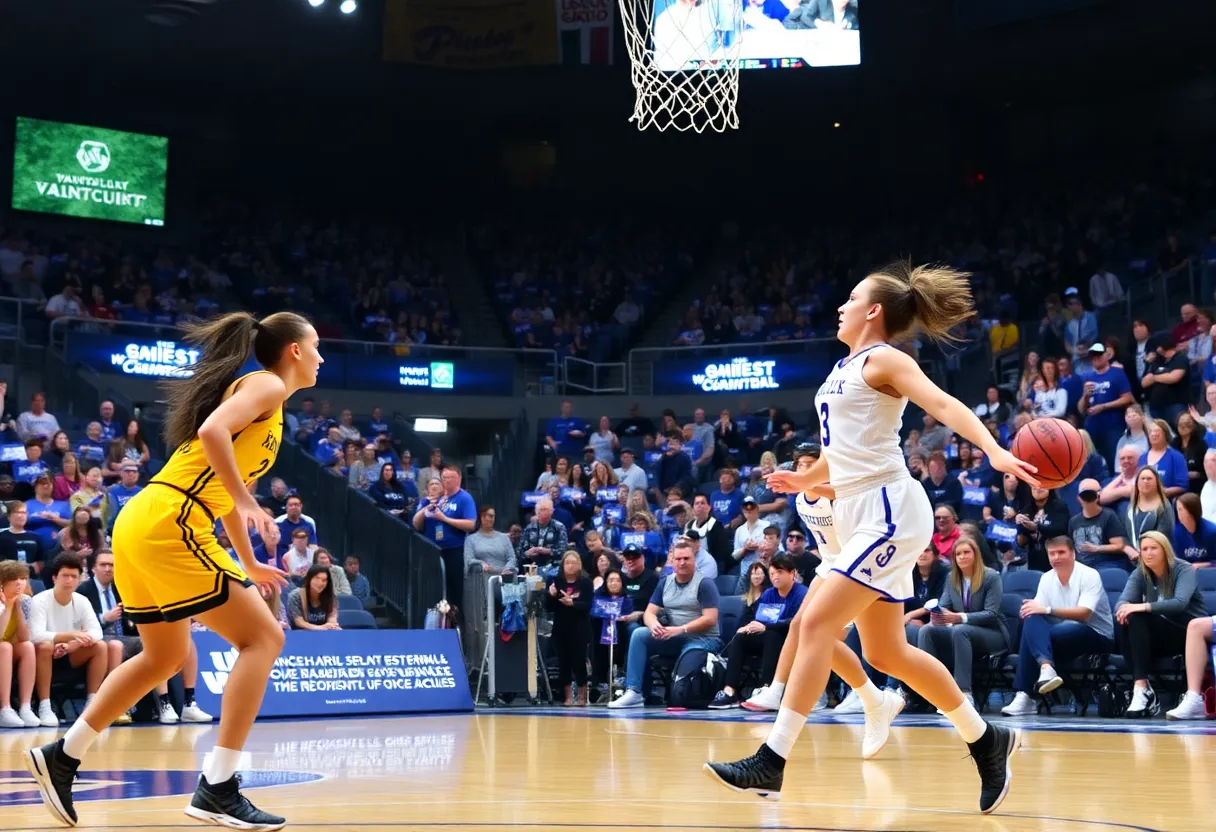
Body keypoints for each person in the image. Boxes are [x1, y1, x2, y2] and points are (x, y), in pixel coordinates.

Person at [706, 262, 1029, 813]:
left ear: (873, 310)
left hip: (889, 508)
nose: (841, 305)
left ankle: (772, 759)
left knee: (813, 621)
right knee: (887, 650)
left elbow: (943, 404)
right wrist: (807, 479)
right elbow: (845, 451)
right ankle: (986, 740)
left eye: (851, 297)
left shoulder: (886, 357)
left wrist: (995, 449)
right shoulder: (846, 366)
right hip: (858, 507)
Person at [24, 310, 317, 829]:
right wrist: (249, 501)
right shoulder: (269, 385)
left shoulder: (263, 399)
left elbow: (220, 476)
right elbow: (211, 433)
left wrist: (248, 559)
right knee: (265, 639)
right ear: (294, 350)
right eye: (315, 346)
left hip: (146, 518)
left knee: (164, 657)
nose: (319, 356)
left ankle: (62, 756)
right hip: (171, 519)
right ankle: (219, 786)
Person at [1001, 537, 1115, 717]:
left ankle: (1026, 695)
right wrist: (1030, 609)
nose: (1056, 557)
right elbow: (1036, 611)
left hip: (1096, 635)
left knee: (1052, 632)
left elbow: (1084, 614)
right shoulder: (1047, 578)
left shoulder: (1089, 575)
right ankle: (1044, 670)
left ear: (1073, 553)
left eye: (1061, 552)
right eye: (1052, 553)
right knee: (1032, 619)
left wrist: (1047, 609)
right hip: (1060, 636)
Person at [1114, 531, 1207, 717]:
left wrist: (1141, 606)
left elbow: (1179, 603)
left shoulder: (1183, 569)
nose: (1148, 553)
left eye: (1153, 548)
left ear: (1165, 550)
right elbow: (1121, 602)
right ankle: (1141, 687)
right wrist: (1126, 609)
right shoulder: (1140, 572)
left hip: (1189, 633)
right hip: (1160, 635)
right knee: (1127, 618)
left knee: (1136, 614)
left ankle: (1144, 691)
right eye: (1144, 549)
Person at [915, 538, 1009, 708]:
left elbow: (991, 614)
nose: (962, 557)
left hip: (992, 634)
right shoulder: (952, 578)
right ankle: (936, 692)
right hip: (961, 631)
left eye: (966, 552)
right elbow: (944, 605)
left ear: (976, 554)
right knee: (927, 630)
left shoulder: (991, 577)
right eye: (958, 554)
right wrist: (939, 615)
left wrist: (960, 617)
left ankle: (964, 694)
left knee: (960, 630)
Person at [710, 553, 807, 709]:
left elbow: (797, 622)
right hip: (768, 635)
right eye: (772, 573)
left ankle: (766, 688)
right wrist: (749, 627)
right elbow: (761, 618)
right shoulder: (768, 594)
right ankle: (730, 690)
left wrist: (767, 627)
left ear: (792, 573)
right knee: (740, 637)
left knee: (772, 635)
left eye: (780, 572)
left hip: (791, 639)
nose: (775, 577)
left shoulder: (802, 593)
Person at [546, 550, 594, 706]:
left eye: (574, 562)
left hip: (579, 627)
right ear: (563, 565)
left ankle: (582, 695)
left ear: (579, 565)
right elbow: (549, 608)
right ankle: (567, 696)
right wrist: (551, 595)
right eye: (567, 562)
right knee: (563, 662)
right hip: (561, 627)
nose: (571, 565)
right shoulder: (556, 582)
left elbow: (588, 605)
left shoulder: (586, 582)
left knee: (579, 661)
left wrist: (573, 603)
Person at [0, 560, 40, 728]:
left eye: (23, 578)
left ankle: (25, 707)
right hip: (2, 647)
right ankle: (5, 708)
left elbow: (24, 637)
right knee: (5, 646)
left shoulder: (25, 601)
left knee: (27, 647)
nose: (19, 582)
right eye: (13, 578)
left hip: (7, 652)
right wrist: (8, 606)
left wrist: (16, 606)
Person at [287, 565, 340, 631]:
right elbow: (299, 622)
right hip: (300, 633)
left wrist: (331, 625)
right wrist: (321, 628)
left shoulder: (331, 596)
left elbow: (332, 618)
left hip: (324, 634)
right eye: (317, 578)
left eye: (324, 580)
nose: (320, 583)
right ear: (309, 579)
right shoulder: (295, 596)